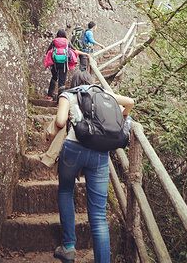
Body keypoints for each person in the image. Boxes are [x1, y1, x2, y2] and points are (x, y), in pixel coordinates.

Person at [54, 70, 134, 263]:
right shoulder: (103, 94)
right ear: (90, 81)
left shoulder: (69, 94)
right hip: (100, 154)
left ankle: (69, 247)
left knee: (65, 191)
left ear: (73, 82)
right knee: (98, 215)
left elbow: (60, 121)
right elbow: (130, 102)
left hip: (73, 149)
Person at [46, 30, 87, 100]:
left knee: (54, 78)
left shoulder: (54, 42)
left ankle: (50, 95)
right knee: (62, 82)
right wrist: (85, 54)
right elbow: (75, 50)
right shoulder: (67, 42)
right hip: (64, 64)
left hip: (54, 64)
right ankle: (59, 101)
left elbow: (47, 52)